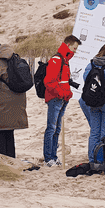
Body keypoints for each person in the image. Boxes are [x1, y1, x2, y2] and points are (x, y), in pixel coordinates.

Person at [0, 41, 28, 158]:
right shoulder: (14, 58)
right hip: (17, 101)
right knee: (9, 132)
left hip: (2, 102)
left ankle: (1, 162)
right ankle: (11, 159)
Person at [42, 35, 81, 166]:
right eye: (74, 48)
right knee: (51, 128)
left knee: (57, 129)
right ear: (68, 45)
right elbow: (49, 82)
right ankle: (48, 158)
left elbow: (62, 81)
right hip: (56, 99)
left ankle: (53, 156)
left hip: (62, 98)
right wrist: (63, 94)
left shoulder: (65, 60)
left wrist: (67, 93)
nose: (75, 51)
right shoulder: (57, 59)